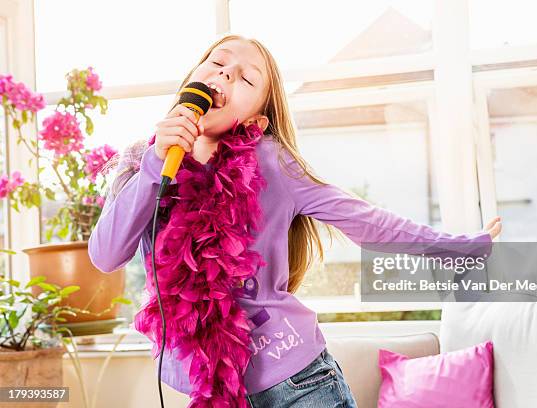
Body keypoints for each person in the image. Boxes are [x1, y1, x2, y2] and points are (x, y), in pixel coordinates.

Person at [88, 33, 502, 408]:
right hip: (212, 392)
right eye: (217, 63)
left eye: (246, 79)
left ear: (254, 121)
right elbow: (106, 255)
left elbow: (362, 218)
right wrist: (154, 163)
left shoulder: (270, 163)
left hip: (300, 387)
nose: (227, 73)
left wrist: (455, 248)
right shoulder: (143, 162)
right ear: (191, 79)